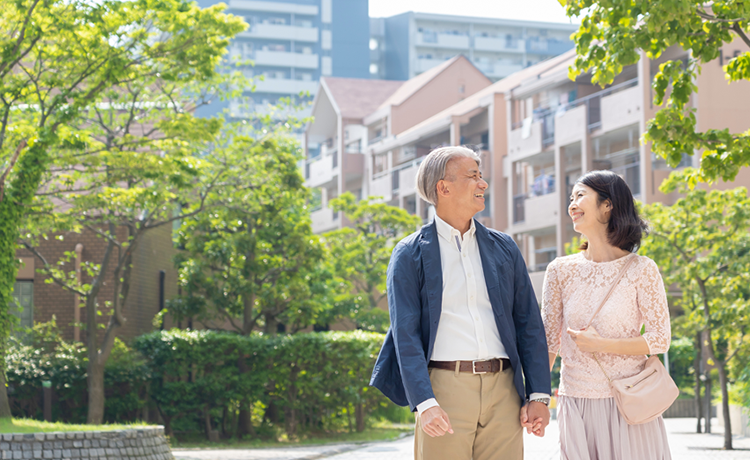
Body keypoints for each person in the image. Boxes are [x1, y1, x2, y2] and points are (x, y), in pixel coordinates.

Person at [370, 146, 552, 460]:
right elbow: (406, 334)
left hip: (504, 390)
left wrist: (538, 394)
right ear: (444, 187)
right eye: (473, 176)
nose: (483, 184)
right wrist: (425, 403)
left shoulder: (504, 247)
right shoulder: (409, 253)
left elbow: (528, 322)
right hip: (444, 389)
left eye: (481, 176)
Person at [529, 170, 672, 459]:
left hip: (629, 400)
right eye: (571, 198)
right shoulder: (559, 270)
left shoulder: (642, 269)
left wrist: (602, 344)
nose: (572, 204)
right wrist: (537, 398)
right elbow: (548, 343)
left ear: (608, 205)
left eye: (580, 195)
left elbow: (660, 340)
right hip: (575, 401)